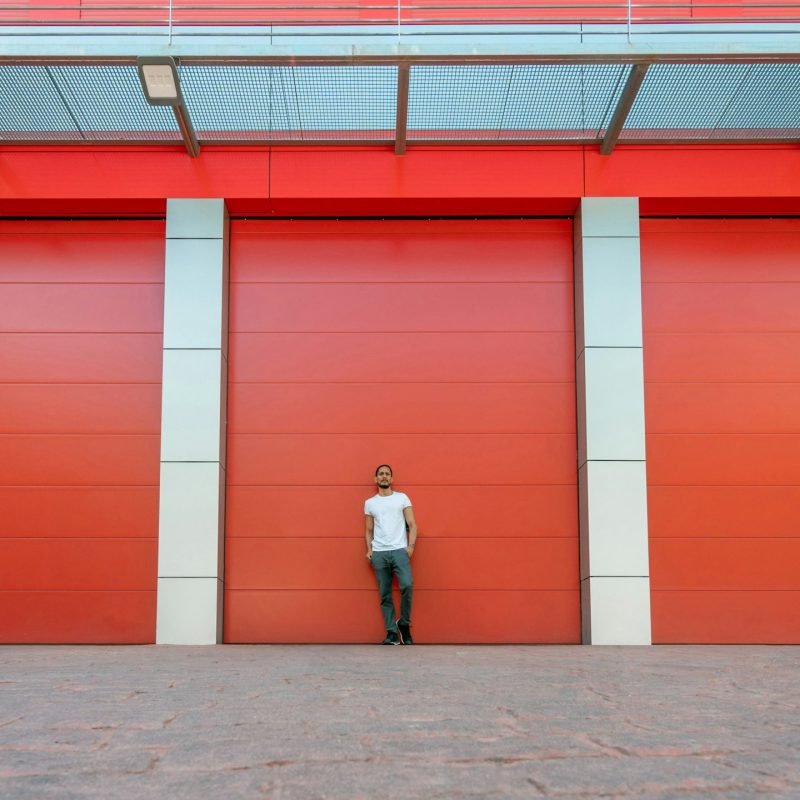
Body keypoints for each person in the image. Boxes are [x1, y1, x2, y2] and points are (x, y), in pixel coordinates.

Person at [364, 464, 417, 645]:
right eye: (381, 474)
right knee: (385, 594)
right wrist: (370, 550)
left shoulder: (402, 498)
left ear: (391, 479)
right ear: (376, 479)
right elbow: (369, 530)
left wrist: (410, 547)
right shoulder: (370, 503)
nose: (384, 477)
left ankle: (404, 623)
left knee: (407, 586)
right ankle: (392, 633)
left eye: (387, 474)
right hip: (379, 553)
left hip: (399, 551)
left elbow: (412, 524)